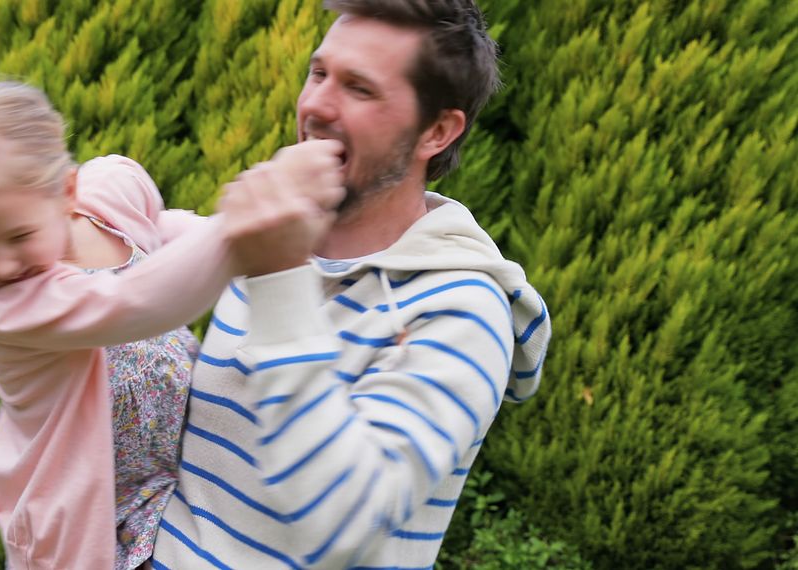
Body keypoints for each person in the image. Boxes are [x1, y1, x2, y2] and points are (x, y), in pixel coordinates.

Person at [152, 0, 552, 568]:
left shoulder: (465, 313)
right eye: (319, 73)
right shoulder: (275, 244)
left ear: (436, 131)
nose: (315, 105)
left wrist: (279, 275)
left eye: (359, 88)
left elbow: (340, 521)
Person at [0, 82, 344, 570]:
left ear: (67, 193)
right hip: (89, 515)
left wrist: (301, 259)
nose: (0, 264)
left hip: (173, 475)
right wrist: (252, 225)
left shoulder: (105, 200)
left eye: (19, 236)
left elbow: (161, 229)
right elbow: (136, 301)